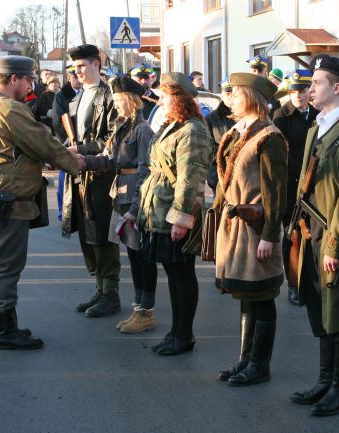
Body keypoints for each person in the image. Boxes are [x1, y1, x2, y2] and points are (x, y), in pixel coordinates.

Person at [0, 56, 80, 350]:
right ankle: (3, 331)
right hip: (4, 202)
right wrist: (76, 162)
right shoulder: (9, 108)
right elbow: (42, 142)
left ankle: (1, 321)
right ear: (14, 79)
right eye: (28, 80)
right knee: (6, 267)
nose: (31, 86)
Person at [288, 56, 339, 416]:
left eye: (316, 82)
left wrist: (335, 242)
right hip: (309, 230)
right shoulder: (315, 128)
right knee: (318, 307)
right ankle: (324, 380)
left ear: (337, 88)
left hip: (333, 234)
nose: (309, 88)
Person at [215, 72, 287, 386]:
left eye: (235, 92)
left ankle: (260, 364)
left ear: (252, 97)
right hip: (237, 227)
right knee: (247, 294)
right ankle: (246, 359)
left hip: (256, 227)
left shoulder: (269, 137)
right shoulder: (238, 131)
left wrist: (270, 234)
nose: (229, 96)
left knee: (263, 294)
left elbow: (276, 192)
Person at [137, 72, 211, 355]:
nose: (160, 101)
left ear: (179, 99)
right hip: (159, 209)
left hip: (174, 211)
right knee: (173, 272)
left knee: (182, 273)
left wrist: (181, 218)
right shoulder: (173, 126)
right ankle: (175, 331)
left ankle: (185, 335)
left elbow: (190, 178)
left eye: (165, 97)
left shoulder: (193, 130)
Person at [77, 75, 158, 334]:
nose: (116, 104)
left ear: (132, 101)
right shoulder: (122, 127)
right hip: (121, 196)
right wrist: (83, 160)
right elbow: (109, 159)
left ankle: (145, 311)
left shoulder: (143, 130)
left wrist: (135, 209)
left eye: (120, 100)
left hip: (134, 199)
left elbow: (146, 171)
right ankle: (138, 309)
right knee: (133, 256)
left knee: (142, 257)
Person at [63, 44, 121, 318]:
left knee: (102, 234)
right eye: (75, 67)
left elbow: (112, 139)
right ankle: (99, 288)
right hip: (79, 174)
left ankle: (111, 294)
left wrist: (81, 150)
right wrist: (67, 146)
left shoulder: (110, 96)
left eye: (82, 65)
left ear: (96, 64)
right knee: (87, 233)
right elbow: (75, 136)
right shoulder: (76, 98)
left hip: (101, 175)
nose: (78, 71)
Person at [272, 69, 320, 306]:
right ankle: (293, 283)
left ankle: (309, 280)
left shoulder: (318, 114)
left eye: (302, 90)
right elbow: (282, 151)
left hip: (313, 185)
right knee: (291, 234)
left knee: (310, 234)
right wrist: (301, 171)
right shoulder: (281, 115)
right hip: (291, 185)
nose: (298, 95)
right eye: (293, 91)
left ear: (310, 91)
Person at [52, 67, 82, 221]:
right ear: (69, 78)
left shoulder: (86, 93)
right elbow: (58, 122)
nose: (77, 79)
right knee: (65, 179)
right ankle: (63, 212)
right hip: (68, 142)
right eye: (74, 77)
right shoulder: (61, 96)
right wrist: (68, 139)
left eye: (79, 76)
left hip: (83, 143)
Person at [204, 76, 235, 192]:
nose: (230, 97)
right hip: (219, 178)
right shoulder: (211, 119)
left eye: (233, 93)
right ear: (222, 94)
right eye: (227, 94)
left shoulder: (245, 115)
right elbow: (208, 150)